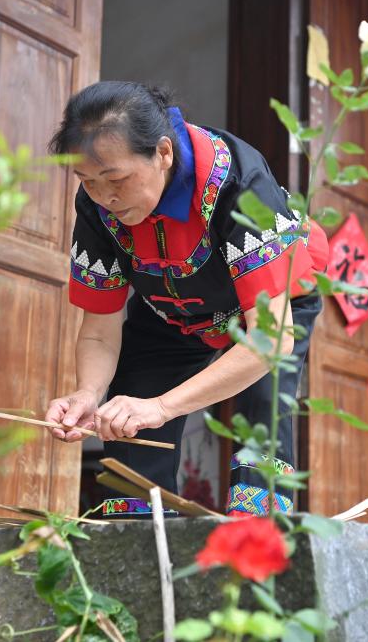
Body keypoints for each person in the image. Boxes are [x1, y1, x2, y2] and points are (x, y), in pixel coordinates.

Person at [44, 81, 328, 518]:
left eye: (116, 179)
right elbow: (100, 330)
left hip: (271, 309)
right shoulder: (96, 206)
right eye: (89, 182)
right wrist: (88, 393)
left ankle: (258, 535)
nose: (106, 197)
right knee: (127, 423)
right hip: (170, 310)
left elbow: (270, 341)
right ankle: (135, 542)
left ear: (162, 152)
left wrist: (161, 408)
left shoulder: (238, 181)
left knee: (264, 405)